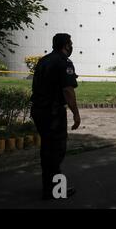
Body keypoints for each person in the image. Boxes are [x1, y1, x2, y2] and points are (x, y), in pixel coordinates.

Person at [30, 33, 81, 199]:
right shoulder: (64, 62)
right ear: (66, 45)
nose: (71, 46)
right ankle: (55, 190)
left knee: (47, 149)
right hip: (53, 113)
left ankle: (48, 187)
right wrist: (76, 114)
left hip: (38, 110)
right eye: (70, 43)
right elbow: (68, 90)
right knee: (57, 151)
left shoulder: (43, 60)